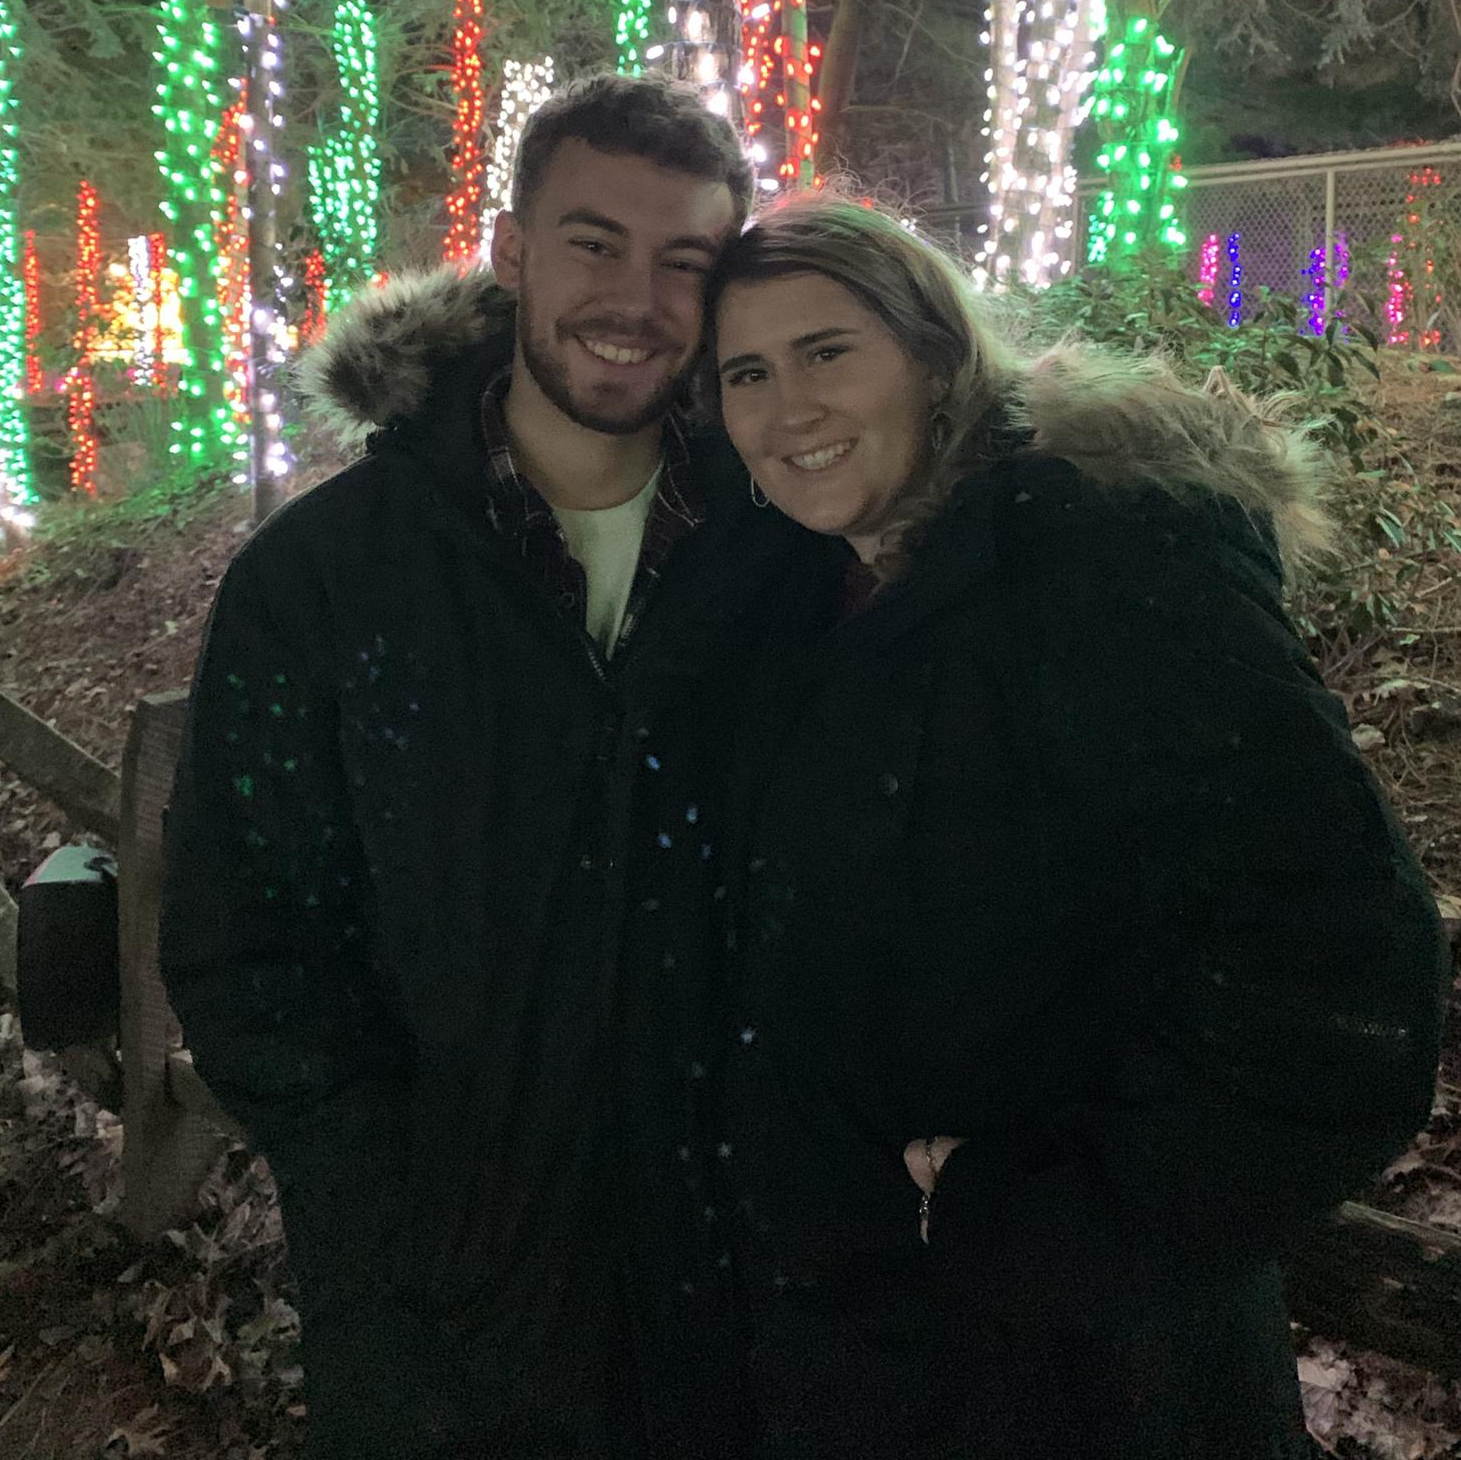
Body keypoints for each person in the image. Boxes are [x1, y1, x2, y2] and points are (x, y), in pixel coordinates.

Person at [626, 196, 1450, 1460]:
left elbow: (1339, 973)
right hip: (848, 1355)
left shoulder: (1108, 566)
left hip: (1088, 1374)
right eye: (747, 372)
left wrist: (1050, 1220)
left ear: (936, 357)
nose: (789, 407)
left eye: (827, 350)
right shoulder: (797, 600)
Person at [160, 74, 795, 1460]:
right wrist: (386, 1197)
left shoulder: (785, 550)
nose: (635, 298)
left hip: (750, 1296)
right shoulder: (328, 576)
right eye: (593, 242)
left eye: (684, 261)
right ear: (510, 250)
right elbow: (245, 935)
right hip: (438, 1314)